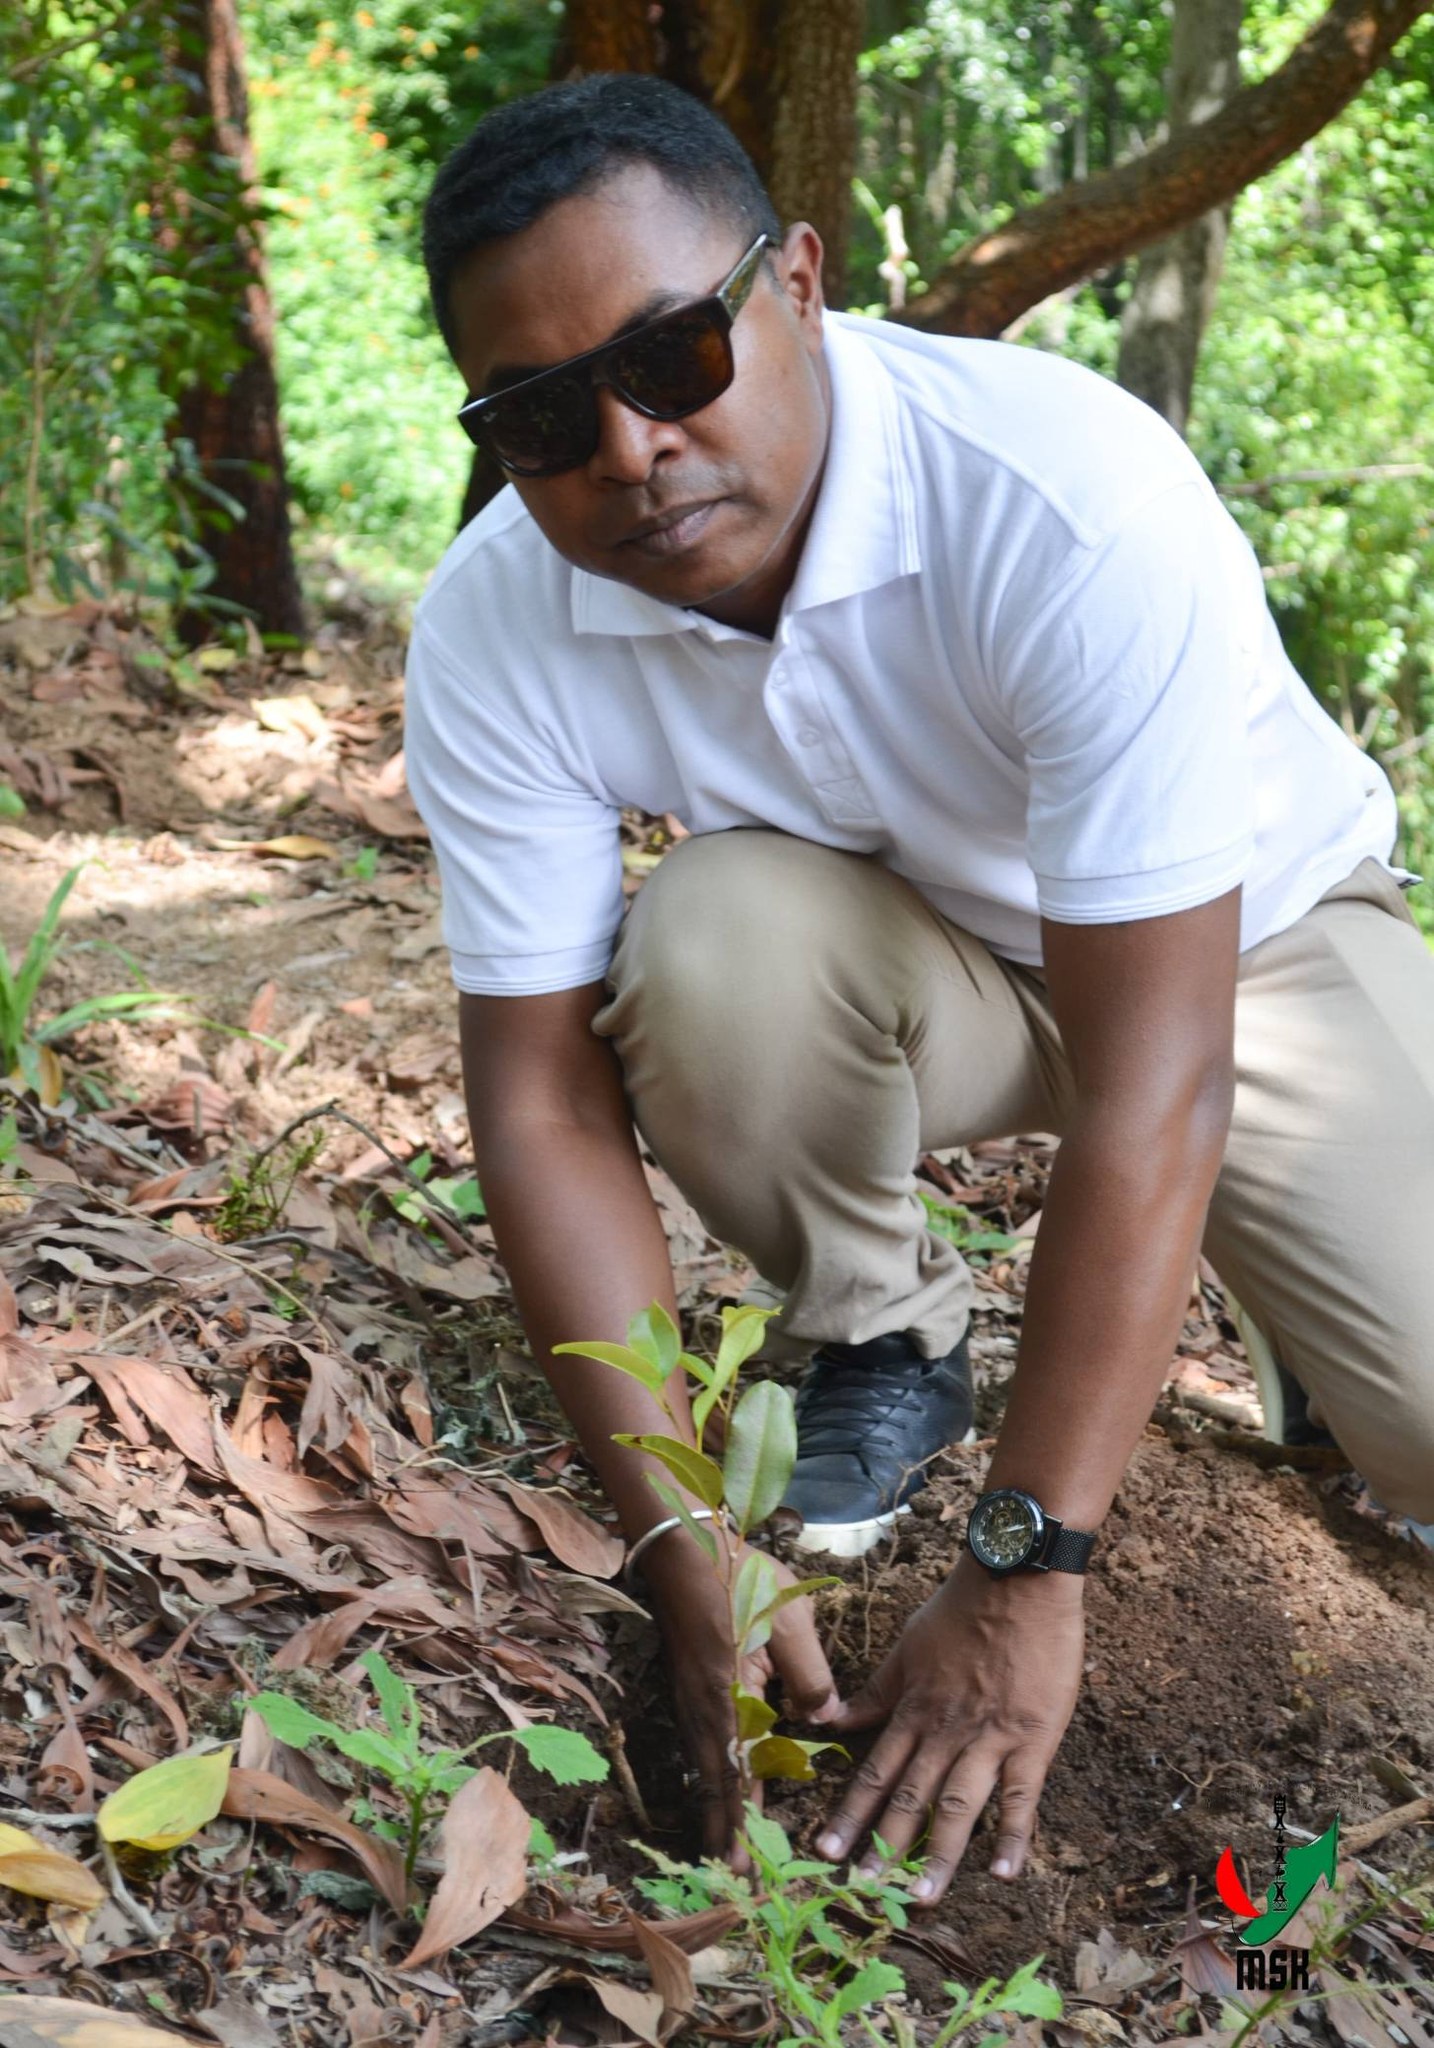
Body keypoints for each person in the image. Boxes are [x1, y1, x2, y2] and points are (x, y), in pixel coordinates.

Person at [405, 72, 1434, 1903]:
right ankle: (879, 1329)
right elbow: (544, 1095)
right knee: (705, 935)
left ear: (795, 282)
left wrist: (1028, 1563)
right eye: (547, 416)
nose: (629, 453)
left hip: (1245, 952)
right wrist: (679, 1544)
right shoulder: (498, 620)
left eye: (669, 358)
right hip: (892, 959)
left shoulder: (1062, 498)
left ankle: (1313, 1337)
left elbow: (1158, 1080)